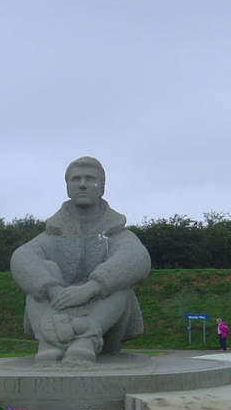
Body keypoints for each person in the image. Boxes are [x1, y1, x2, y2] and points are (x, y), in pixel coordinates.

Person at [10, 156, 151, 364]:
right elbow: (23, 257)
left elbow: (136, 257)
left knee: (117, 280)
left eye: (90, 179)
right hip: (56, 315)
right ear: (68, 188)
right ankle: (50, 341)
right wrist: (53, 290)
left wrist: (91, 289)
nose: (83, 184)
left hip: (104, 325)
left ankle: (87, 339)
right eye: (76, 179)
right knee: (40, 274)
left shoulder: (116, 233)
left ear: (102, 188)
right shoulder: (54, 234)